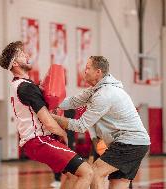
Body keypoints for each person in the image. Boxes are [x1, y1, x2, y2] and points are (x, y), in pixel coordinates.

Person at [0, 41, 93, 189]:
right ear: (15, 63)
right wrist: (63, 134)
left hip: (35, 142)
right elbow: (47, 121)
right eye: (22, 54)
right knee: (87, 172)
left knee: (73, 175)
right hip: (40, 141)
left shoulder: (18, 85)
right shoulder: (26, 87)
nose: (27, 55)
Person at [51, 56, 150, 189]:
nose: (84, 71)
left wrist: (51, 117)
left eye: (88, 68)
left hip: (129, 143)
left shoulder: (104, 94)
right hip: (137, 143)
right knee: (117, 183)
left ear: (98, 72)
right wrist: (48, 103)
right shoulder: (97, 90)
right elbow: (73, 101)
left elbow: (81, 125)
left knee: (94, 172)